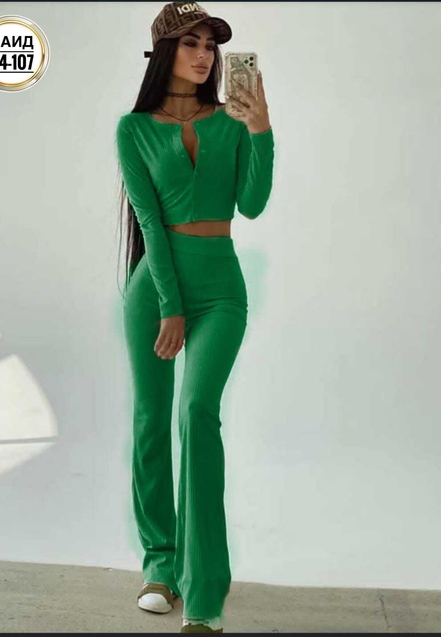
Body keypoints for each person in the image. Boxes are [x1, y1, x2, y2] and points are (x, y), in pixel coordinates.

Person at [115, 2, 275, 633]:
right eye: (191, 43)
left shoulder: (231, 122)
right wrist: (169, 306)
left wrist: (261, 130)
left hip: (220, 290)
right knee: (152, 421)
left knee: (196, 413)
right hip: (156, 289)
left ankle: (204, 592)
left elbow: (252, 205)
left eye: (211, 45)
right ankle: (160, 563)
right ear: (164, 52)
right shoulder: (133, 129)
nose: (205, 55)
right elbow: (150, 223)